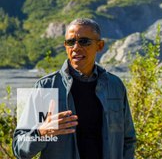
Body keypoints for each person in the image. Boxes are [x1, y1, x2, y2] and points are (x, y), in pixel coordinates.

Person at [13, 18, 136, 158]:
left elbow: (128, 140)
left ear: (100, 46)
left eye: (84, 41)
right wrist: (41, 133)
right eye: (70, 42)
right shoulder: (45, 87)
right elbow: (19, 147)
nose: (76, 48)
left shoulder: (115, 86)